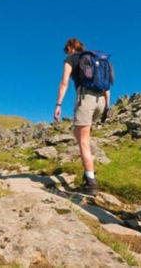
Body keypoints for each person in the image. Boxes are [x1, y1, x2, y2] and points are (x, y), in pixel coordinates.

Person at [54, 38, 110, 196]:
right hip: (101, 100)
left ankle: (90, 183)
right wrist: (107, 106)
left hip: (85, 98)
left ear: (71, 48)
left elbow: (64, 82)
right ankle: (88, 172)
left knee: (83, 142)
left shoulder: (71, 59)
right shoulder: (97, 58)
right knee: (82, 136)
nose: (67, 53)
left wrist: (58, 105)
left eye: (67, 50)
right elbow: (107, 84)